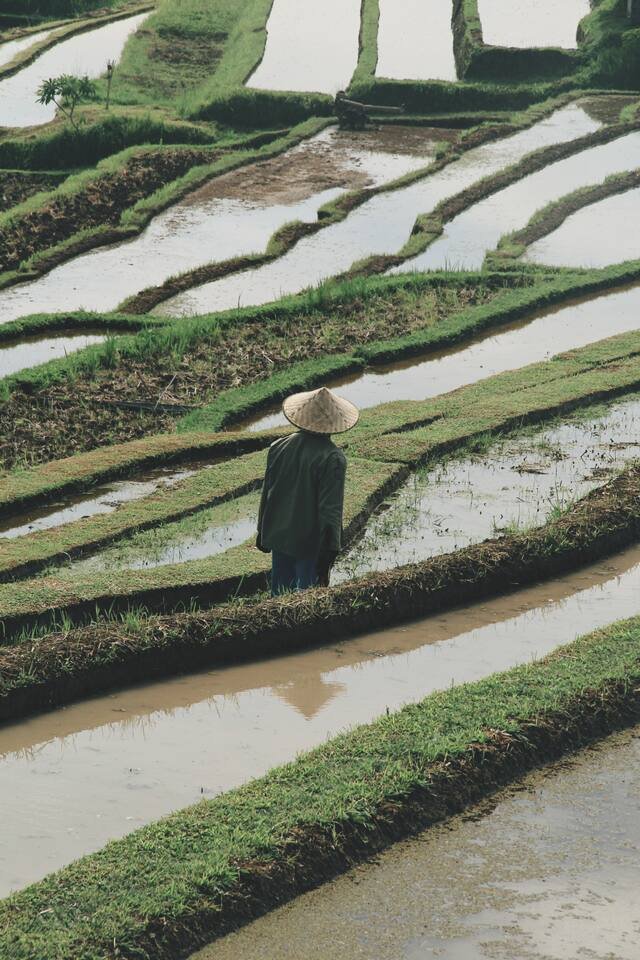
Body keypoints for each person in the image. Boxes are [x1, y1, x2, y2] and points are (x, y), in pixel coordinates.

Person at [256, 386, 359, 595]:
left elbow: (267, 493)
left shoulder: (278, 446)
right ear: (334, 424)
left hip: (279, 535)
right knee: (308, 597)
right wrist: (328, 555)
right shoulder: (332, 458)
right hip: (310, 543)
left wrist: (262, 532)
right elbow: (330, 511)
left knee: (279, 596)